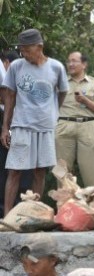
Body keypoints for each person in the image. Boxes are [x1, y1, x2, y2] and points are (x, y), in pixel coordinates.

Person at [0, 29, 68, 216]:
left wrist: (52, 111)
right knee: (15, 171)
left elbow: (62, 92)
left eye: (26, 50)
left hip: (45, 127)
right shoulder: (16, 67)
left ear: (39, 47)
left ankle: (36, 214)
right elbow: (10, 96)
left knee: (40, 171)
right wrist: (5, 127)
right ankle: (7, 215)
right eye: (21, 50)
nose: (23, 54)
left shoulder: (56, 67)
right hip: (21, 125)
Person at [55, 51, 94, 187]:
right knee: (61, 174)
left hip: (87, 127)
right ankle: (63, 206)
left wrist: (85, 100)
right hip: (63, 126)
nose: (70, 64)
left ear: (84, 64)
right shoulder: (60, 83)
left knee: (91, 173)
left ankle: (91, 205)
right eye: (68, 61)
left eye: (74, 61)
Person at [0, 50, 34, 218]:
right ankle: (7, 212)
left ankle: (22, 210)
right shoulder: (8, 73)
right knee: (11, 169)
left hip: (22, 124)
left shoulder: (24, 76)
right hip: (11, 124)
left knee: (22, 170)